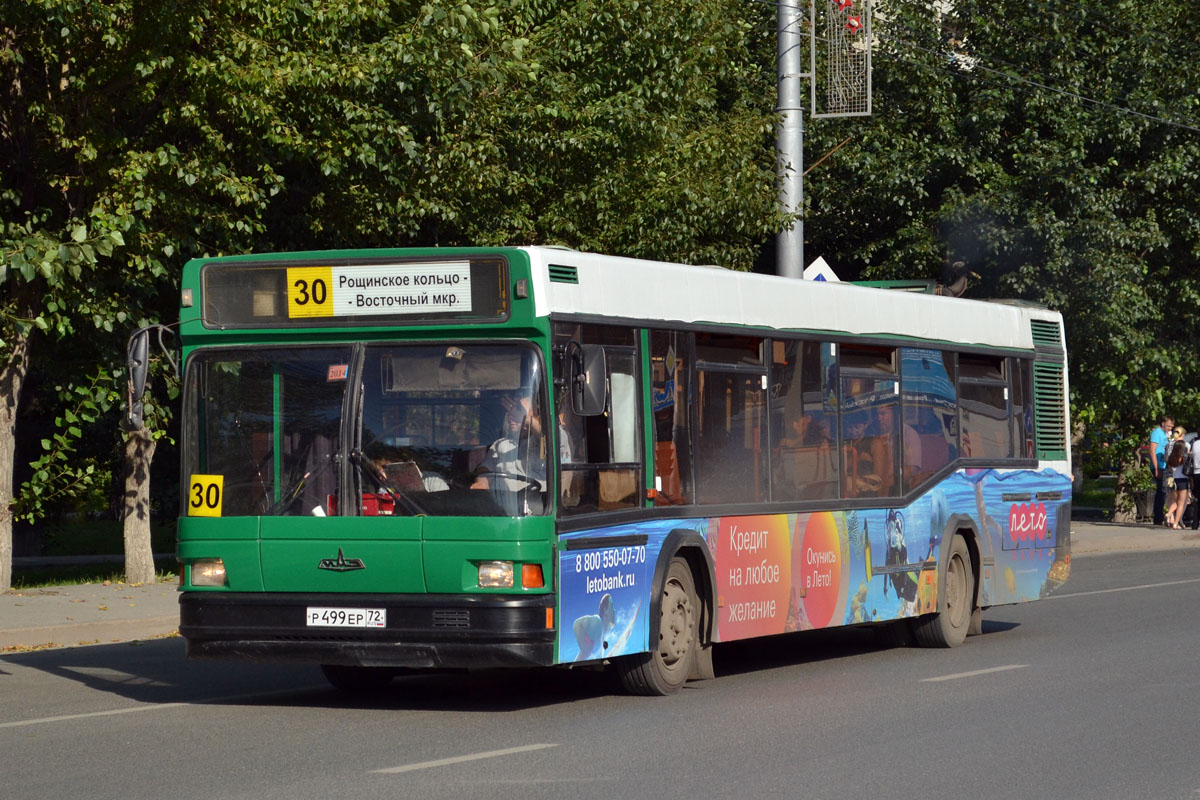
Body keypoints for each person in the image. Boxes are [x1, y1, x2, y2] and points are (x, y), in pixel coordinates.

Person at [470, 389, 547, 514]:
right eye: (510, 411)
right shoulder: (501, 444)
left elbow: (551, 442)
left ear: (534, 413)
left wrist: (526, 419)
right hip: (499, 507)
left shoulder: (545, 439)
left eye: (519, 409)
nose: (512, 414)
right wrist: (482, 483)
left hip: (535, 508)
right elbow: (485, 469)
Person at [1149, 415, 1174, 525]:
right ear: (1163, 423)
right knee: (1162, 491)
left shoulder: (1166, 434)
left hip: (1165, 465)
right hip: (1159, 466)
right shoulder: (1156, 433)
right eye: (1168, 426)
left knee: (1166, 491)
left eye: (1171, 426)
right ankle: (1158, 517)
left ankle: (1163, 516)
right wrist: (1156, 467)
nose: (1170, 428)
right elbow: (1152, 450)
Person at [1165, 428, 1190, 529]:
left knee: (1175, 500)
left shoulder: (1172, 458)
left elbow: (1170, 467)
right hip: (1183, 479)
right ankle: (1175, 522)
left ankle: (1169, 513)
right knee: (1181, 502)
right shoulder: (1183, 458)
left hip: (1174, 479)